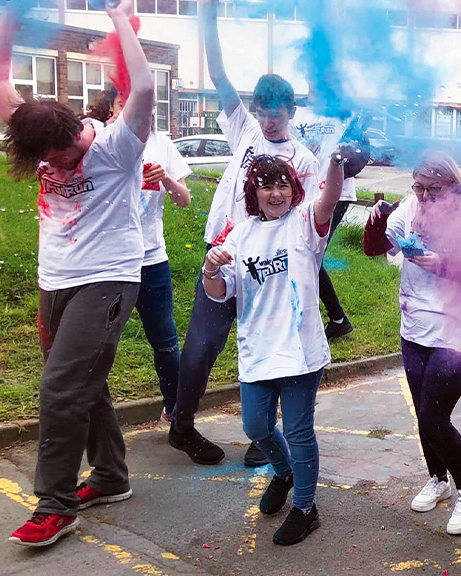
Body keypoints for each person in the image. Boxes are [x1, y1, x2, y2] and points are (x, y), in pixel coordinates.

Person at [0, 0, 154, 546]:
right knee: (84, 381)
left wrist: (119, 19)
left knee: (60, 388)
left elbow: (144, 88)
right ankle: (110, 476)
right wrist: (9, 15)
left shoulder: (117, 146)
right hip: (54, 278)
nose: (51, 166)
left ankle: (54, 505)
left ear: (71, 135)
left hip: (107, 278)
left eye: (57, 157)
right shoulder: (37, 133)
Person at [169, 0, 322, 467]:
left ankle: (263, 435)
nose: (269, 120)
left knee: (273, 345)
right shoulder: (245, 130)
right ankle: (181, 425)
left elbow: (311, 221)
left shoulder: (304, 160)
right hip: (224, 254)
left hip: (273, 267)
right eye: (263, 111)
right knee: (202, 344)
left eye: (278, 112)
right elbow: (218, 74)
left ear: (292, 111)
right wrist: (208, 16)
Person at [202, 151, 347, 545]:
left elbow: (330, 199)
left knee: (299, 432)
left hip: (300, 350)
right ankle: (283, 473)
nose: (276, 193)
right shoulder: (240, 234)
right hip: (258, 349)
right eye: (267, 186)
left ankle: (305, 508)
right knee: (256, 427)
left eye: (283, 184)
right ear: (254, 192)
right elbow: (220, 291)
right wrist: (210, 268)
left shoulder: (304, 223)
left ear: (293, 188)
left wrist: (336, 161)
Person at [366, 151, 461, 535]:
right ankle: (438, 478)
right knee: (424, 414)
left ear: (454, 186)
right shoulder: (409, 207)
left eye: (432, 190)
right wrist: (377, 221)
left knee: (434, 416)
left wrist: (444, 265)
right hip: (415, 326)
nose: (422, 196)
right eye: (418, 187)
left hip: (459, 331)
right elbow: (375, 248)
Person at [88, 86, 193, 421]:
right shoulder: (97, 141)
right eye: (126, 104)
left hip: (151, 260)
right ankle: (91, 414)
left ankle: (175, 411)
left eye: (145, 106)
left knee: (165, 340)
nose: (139, 111)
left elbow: (184, 200)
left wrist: (167, 180)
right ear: (111, 109)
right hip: (108, 263)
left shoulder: (162, 145)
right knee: (98, 344)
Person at [292, 105, 373, 339]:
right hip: (306, 192)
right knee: (305, 255)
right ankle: (334, 318)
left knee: (309, 256)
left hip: (336, 193)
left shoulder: (344, 110)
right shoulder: (296, 112)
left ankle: (334, 318)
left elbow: (361, 149)